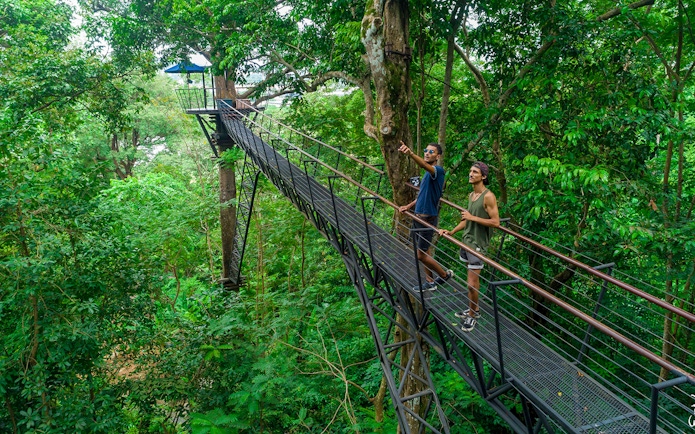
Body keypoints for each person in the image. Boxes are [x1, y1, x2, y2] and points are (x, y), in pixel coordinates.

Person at [440, 162, 500, 332]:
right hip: (466, 241)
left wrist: (472, 218)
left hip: (478, 245)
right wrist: (452, 231)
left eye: (475, 172)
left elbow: (495, 222)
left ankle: (473, 316)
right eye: (470, 171)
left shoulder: (489, 196)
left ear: (484, 176)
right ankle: (474, 308)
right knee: (472, 283)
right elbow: (467, 219)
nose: (471, 174)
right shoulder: (471, 195)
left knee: (471, 284)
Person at [398, 141, 454, 291]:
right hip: (418, 217)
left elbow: (424, 165)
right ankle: (429, 282)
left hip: (427, 218)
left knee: (421, 255)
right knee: (425, 251)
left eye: (431, 152)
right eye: (426, 150)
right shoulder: (427, 175)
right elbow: (422, 195)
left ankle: (444, 275)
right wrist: (408, 207)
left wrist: (410, 153)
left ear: (438, 156)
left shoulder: (437, 171)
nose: (427, 153)